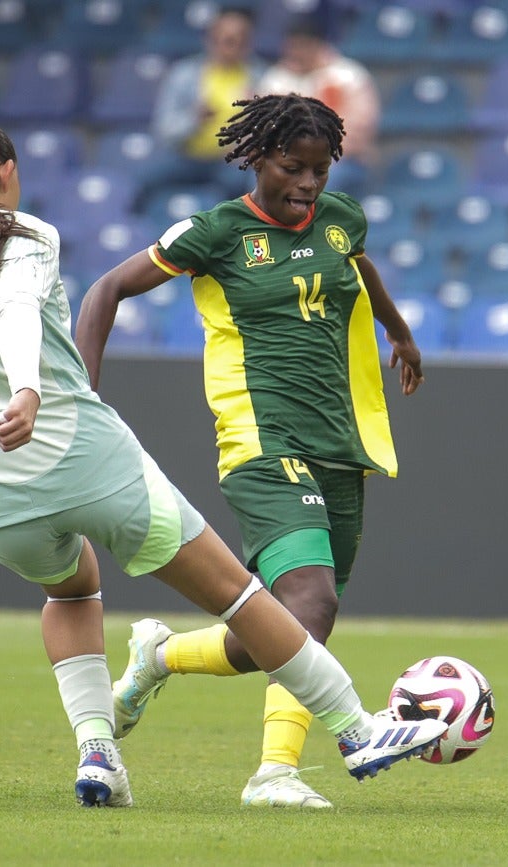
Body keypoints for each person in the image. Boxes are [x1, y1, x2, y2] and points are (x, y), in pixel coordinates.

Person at [0, 114, 446, 808]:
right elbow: (14, 305)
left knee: (72, 590)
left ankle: (99, 754)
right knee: (241, 596)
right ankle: (356, 730)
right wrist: (28, 390)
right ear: (6, 172)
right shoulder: (32, 235)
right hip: (85, 457)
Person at [74, 94, 425, 810]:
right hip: (262, 441)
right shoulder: (216, 231)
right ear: (256, 157)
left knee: (289, 625)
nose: (306, 185)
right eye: (292, 168)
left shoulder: (341, 219)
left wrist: (400, 331)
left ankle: (160, 656)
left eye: (320, 171)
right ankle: (275, 773)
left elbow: (360, 271)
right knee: (311, 599)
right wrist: (82, 393)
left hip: (339, 440)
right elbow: (107, 288)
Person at [136, 7, 266, 209]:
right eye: (228, 41)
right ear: (211, 40)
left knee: (241, 184)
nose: (234, 48)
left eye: (241, 42)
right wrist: (194, 118)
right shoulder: (184, 75)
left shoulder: (260, 77)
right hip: (187, 156)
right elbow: (164, 129)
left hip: (230, 162)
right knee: (144, 180)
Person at [258, 13, 379, 191]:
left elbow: (359, 130)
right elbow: (263, 127)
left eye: (302, 47)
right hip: (286, 158)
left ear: (318, 45)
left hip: (338, 160)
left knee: (324, 177)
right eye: (292, 47)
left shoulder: (348, 77)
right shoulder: (277, 79)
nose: (296, 53)